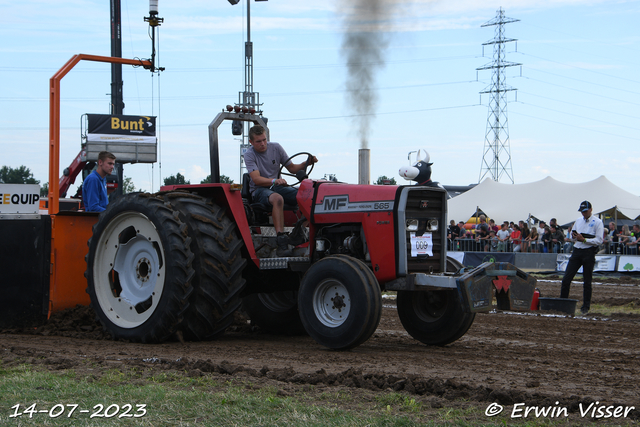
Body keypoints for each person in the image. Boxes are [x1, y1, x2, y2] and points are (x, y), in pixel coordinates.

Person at [244, 125, 317, 256]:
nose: (263, 144)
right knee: (277, 198)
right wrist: (274, 180)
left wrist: (307, 163)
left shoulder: (276, 148)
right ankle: (281, 240)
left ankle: (299, 231)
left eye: (264, 140)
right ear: (251, 142)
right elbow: (256, 179)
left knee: (308, 197)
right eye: (258, 141)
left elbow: (293, 168)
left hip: (277, 187)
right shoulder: (249, 155)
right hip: (260, 190)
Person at [560, 201, 604, 315]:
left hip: (589, 252)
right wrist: (575, 237)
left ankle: (586, 306)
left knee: (587, 281)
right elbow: (572, 237)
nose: (583, 214)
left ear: (591, 210)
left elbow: (599, 240)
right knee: (566, 279)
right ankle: (562, 303)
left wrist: (584, 240)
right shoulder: (578, 221)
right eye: (582, 212)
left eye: (585, 211)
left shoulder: (598, 222)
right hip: (577, 251)